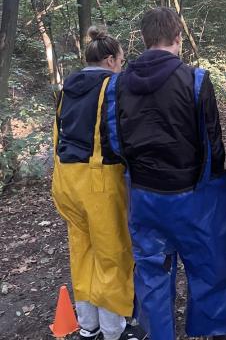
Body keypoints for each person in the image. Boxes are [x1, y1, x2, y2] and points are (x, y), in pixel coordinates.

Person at [104, 7, 226, 340]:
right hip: (193, 195)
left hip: (144, 195)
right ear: (178, 38)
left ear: (143, 38)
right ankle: (216, 332)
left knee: (153, 274)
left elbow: (115, 141)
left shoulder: (117, 84)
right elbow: (212, 144)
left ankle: (159, 334)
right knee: (210, 267)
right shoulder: (195, 79)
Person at [52, 27, 140, 340]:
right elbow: (123, 137)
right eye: (121, 61)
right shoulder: (113, 86)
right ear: (110, 60)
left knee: (82, 252)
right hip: (99, 182)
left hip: (66, 180)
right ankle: (114, 330)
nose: (121, 66)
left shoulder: (67, 88)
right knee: (112, 256)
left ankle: (88, 325)